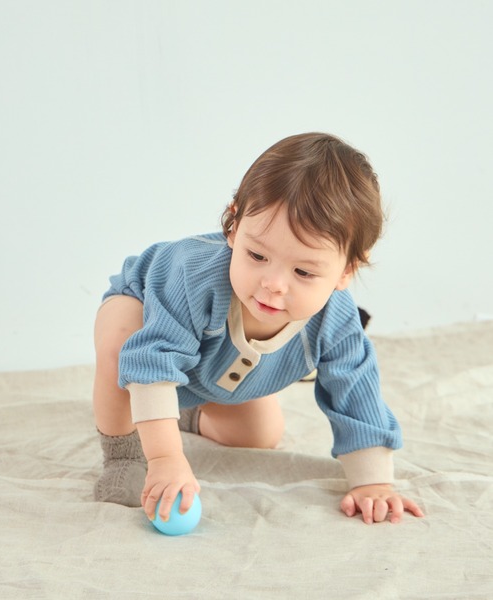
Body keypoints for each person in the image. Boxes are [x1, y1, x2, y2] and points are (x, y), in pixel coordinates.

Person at [93, 132, 424, 526]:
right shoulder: (191, 276)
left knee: (260, 434)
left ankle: (178, 411)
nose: (273, 284)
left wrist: (373, 482)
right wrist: (165, 458)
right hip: (147, 315)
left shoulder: (335, 321)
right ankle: (124, 452)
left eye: (303, 272)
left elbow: (356, 391)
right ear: (233, 225)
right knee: (122, 344)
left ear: (346, 270)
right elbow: (152, 358)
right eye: (256, 255)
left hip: (215, 374)